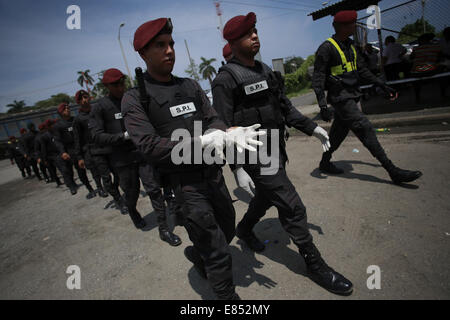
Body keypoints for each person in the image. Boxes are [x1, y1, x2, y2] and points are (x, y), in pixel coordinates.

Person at [212, 12, 353, 296]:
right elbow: (222, 128)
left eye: (255, 30)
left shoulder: (265, 71)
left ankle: (245, 228)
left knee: (267, 197)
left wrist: (312, 128)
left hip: (277, 149)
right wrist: (237, 167)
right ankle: (314, 263)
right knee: (291, 205)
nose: (254, 35)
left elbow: (285, 108)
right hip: (256, 157)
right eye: (246, 33)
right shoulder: (225, 80)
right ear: (232, 41)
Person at [122, 18, 263, 299]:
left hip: (213, 175)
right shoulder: (136, 97)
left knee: (227, 227)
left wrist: (221, 134)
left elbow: (214, 119)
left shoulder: (190, 86)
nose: (169, 50)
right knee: (217, 251)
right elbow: (149, 146)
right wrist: (200, 141)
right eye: (160, 45)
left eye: (171, 44)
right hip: (184, 187)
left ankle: (198, 257)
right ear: (143, 54)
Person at [312, 10, 422, 185]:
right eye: (352, 24)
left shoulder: (351, 45)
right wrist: (323, 106)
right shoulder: (326, 48)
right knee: (365, 128)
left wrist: (381, 84)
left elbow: (362, 70)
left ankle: (324, 163)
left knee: (337, 135)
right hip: (341, 98)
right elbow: (317, 78)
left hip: (352, 94)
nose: (355, 26)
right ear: (342, 26)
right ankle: (392, 170)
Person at [90, 68, 182, 247]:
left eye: (121, 82)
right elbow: (96, 135)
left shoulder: (133, 98)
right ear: (106, 86)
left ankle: (163, 229)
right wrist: (122, 137)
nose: (119, 86)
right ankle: (132, 211)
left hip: (141, 153)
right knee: (131, 194)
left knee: (154, 189)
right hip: (122, 159)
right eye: (115, 84)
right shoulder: (101, 107)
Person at [53, 102, 97, 197]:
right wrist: (63, 152)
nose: (67, 110)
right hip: (70, 151)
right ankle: (88, 188)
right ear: (60, 112)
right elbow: (57, 141)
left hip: (82, 147)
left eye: (68, 108)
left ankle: (99, 185)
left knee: (91, 166)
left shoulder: (75, 120)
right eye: (65, 109)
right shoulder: (58, 125)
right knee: (76, 171)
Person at [73, 89, 108, 197]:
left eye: (86, 97)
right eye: (81, 99)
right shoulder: (78, 119)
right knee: (95, 171)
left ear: (90, 98)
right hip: (90, 149)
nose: (84, 100)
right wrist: (79, 157)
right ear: (78, 102)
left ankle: (109, 188)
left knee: (108, 171)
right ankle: (100, 188)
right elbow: (77, 139)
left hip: (103, 144)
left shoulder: (97, 111)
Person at [40, 119, 63, 186]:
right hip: (50, 156)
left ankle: (67, 180)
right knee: (53, 170)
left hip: (57, 154)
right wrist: (45, 159)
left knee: (62, 168)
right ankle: (57, 181)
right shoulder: (44, 136)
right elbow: (43, 149)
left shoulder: (55, 132)